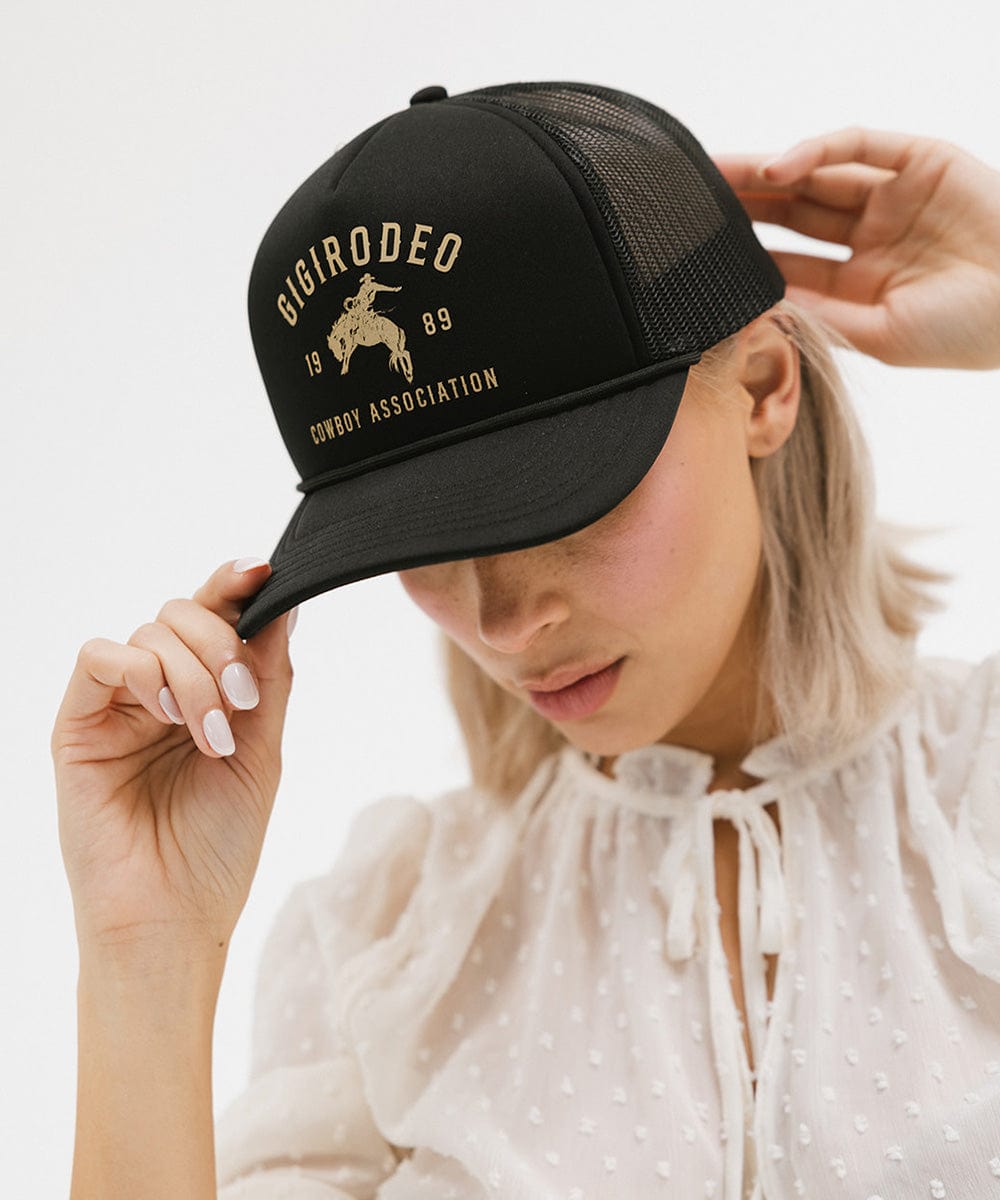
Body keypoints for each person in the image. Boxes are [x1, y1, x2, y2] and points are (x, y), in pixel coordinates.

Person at [51, 82, 1000, 1200]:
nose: (500, 623)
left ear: (760, 385)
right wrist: (144, 954)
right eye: (424, 541)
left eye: (565, 504)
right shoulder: (391, 936)